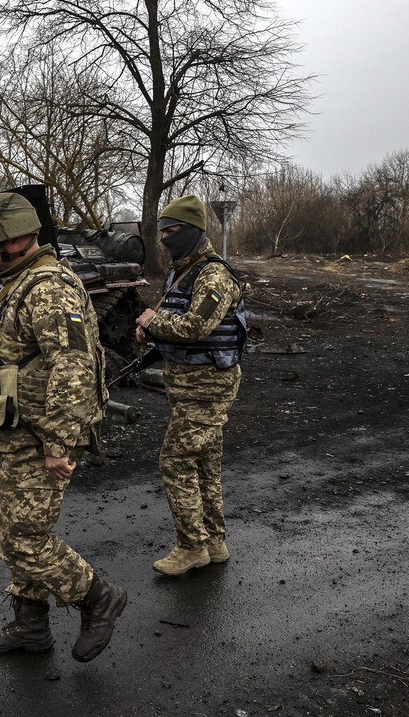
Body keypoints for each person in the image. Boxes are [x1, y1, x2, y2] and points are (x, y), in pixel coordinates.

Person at [0, 191, 127, 663]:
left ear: (14, 236)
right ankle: (30, 627)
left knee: (24, 537)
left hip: (41, 438)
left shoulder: (49, 286)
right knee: (11, 529)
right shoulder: (18, 281)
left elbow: (73, 369)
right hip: (16, 434)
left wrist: (59, 443)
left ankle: (98, 598)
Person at [134, 195, 247, 577]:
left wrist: (153, 322)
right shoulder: (185, 270)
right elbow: (174, 318)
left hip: (207, 387)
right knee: (204, 464)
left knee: (175, 460)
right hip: (189, 386)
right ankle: (213, 541)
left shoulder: (213, 274)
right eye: (161, 231)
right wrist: (152, 328)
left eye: (172, 231)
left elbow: (198, 326)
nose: (164, 238)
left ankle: (191, 547)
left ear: (194, 230)